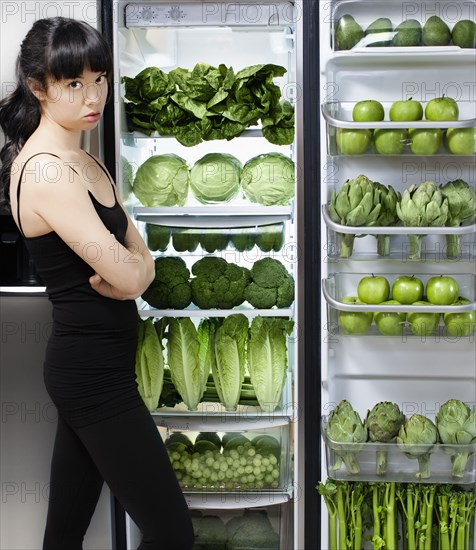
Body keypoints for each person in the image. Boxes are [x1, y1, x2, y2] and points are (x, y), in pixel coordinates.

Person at [0, 17, 194, 550]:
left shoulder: (83, 160)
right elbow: (131, 271)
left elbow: (141, 264)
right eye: (74, 84)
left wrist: (136, 273)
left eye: (100, 78)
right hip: (92, 378)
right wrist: (134, 273)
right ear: (38, 87)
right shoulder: (46, 171)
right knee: (173, 534)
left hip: (98, 369)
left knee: (64, 533)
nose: (94, 96)